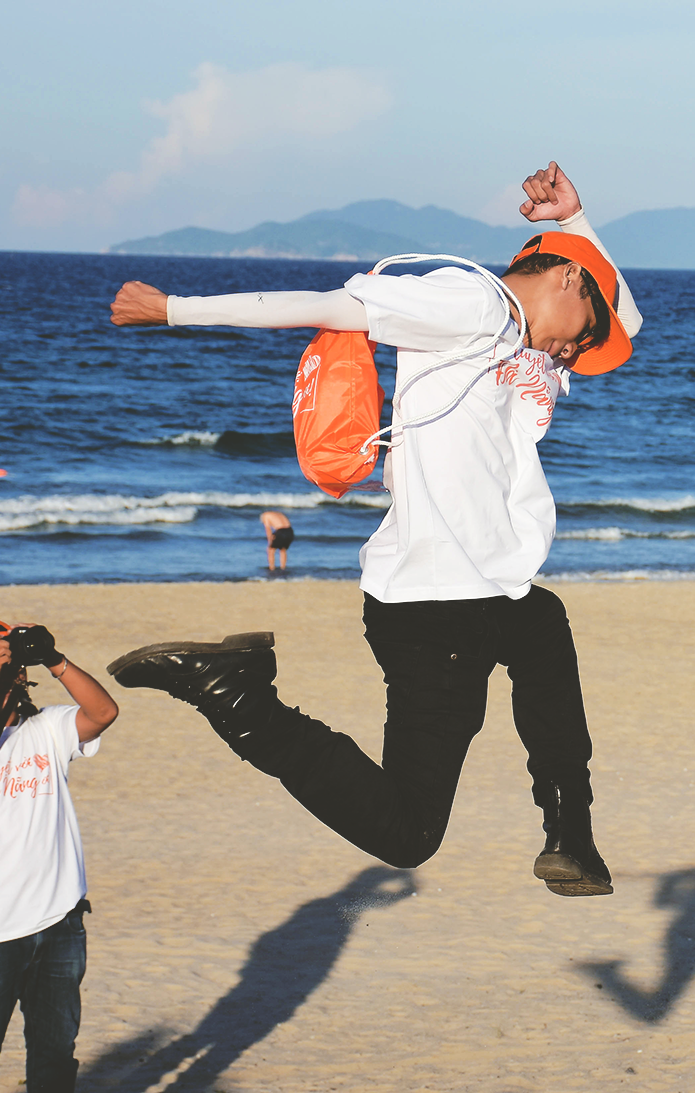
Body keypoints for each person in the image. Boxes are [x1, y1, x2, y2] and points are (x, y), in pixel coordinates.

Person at [102, 163, 641, 896]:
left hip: (474, 593)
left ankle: (570, 835)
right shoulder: (468, 302)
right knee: (408, 832)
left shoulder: (525, 334)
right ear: (570, 281)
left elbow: (626, 318)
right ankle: (235, 695)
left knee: (541, 625)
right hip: (439, 603)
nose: (575, 353)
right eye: (584, 335)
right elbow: (327, 304)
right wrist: (174, 310)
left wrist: (572, 222)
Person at [0, 619, 119, 1093]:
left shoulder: (48, 727)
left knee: (55, 1056)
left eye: (12, 663)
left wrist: (55, 659)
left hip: (58, 922)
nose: (6, 671)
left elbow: (103, 712)